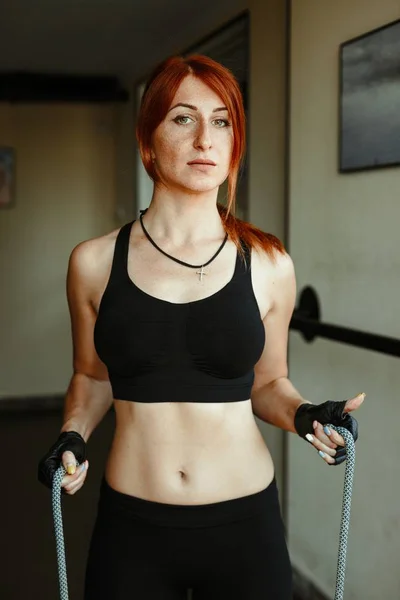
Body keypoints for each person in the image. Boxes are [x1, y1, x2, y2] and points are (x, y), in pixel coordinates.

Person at [38, 54, 364, 600]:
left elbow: (267, 383)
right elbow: (93, 379)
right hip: (132, 528)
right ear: (150, 136)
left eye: (222, 121)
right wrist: (72, 435)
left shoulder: (269, 263)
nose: (205, 139)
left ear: (235, 142)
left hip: (244, 527)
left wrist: (307, 414)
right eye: (183, 118)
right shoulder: (93, 262)